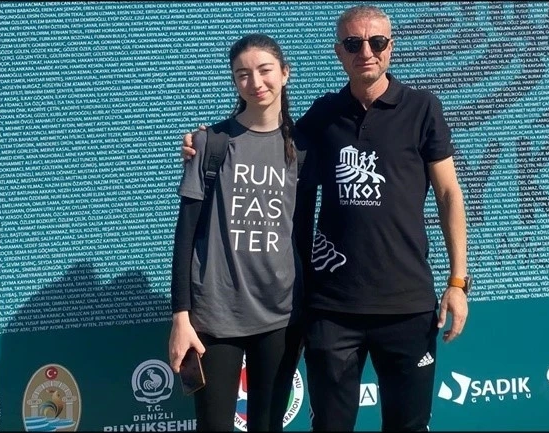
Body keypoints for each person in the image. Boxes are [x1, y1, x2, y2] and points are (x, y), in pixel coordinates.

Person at [181, 5, 469, 431]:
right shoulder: (323, 115)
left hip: (407, 306)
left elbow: (448, 194)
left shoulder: (422, 108)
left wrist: (458, 282)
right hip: (333, 310)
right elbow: (265, 135)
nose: (366, 52)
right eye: (353, 44)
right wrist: (205, 141)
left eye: (376, 42)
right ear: (339, 52)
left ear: (390, 47)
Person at [169, 33, 311, 432]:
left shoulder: (303, 148)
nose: (256, 82)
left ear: (285, 73)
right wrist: (181, 317)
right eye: (242, 74)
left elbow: (302, 234)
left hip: (281, 315)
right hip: (215, 316)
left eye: (265, 70)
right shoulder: (210, 144)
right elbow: (185, 235)